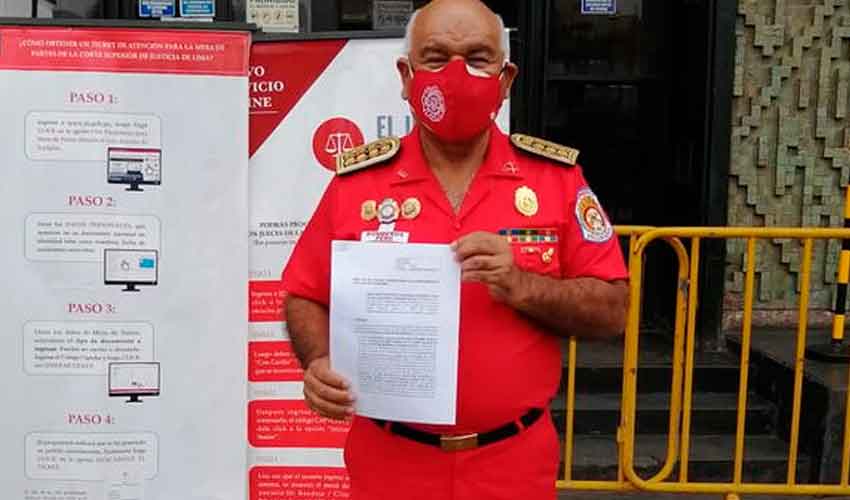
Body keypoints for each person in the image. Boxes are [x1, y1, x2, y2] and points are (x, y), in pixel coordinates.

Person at [281, 1, 629, 498]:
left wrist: (522, 286)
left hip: (513, 462)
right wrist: (316, 362)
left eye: (478, 57)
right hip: (390, 462)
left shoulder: (555, 181)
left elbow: (612, 311)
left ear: (506, 78)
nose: (457, 74)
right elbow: (305, 293)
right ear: (406, 75)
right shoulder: (357, 185)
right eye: (437, 57)